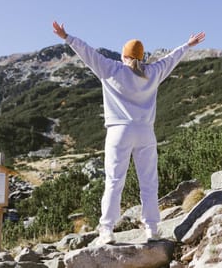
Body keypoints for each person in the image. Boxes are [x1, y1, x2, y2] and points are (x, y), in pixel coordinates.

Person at [52, 21, 205, 245]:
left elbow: (88, 53)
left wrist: (67, 37)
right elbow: (171, 59)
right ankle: (152, 229)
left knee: (114, 181)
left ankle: (107, 230)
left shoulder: (111, 68)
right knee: (149, 183)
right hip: (145, 132)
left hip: (119, 131)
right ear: (142, 57)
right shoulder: (152, 72)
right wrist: (187, 45)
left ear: (124, 55)